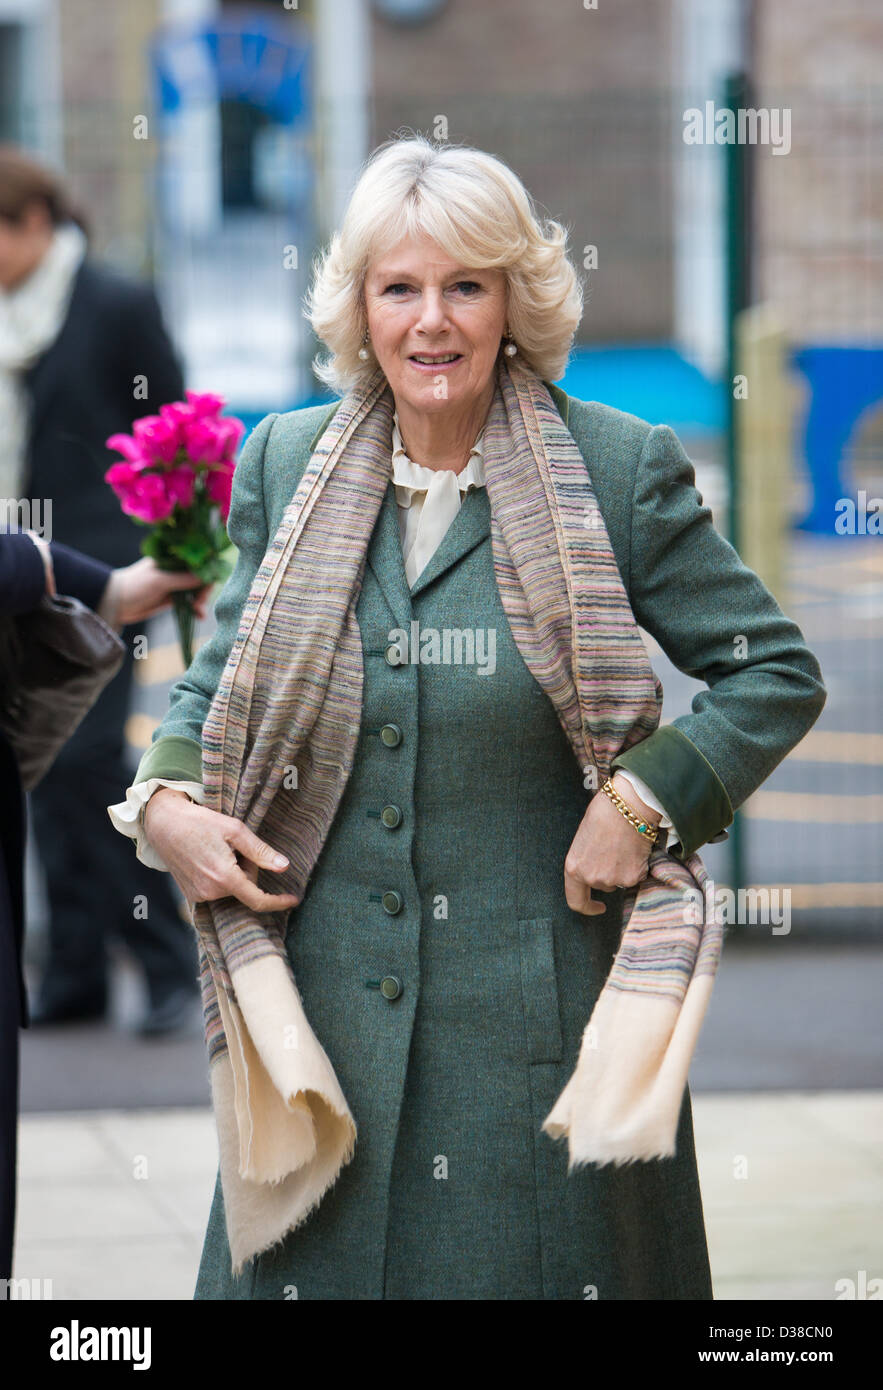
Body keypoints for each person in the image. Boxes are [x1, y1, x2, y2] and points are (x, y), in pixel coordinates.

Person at [109, 137, 827, 1300]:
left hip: (537, 1044)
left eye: (465, 286)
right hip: (321, 1038)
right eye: (399, 287)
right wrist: (170, 801)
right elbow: (221, 677)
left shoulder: (616, 466)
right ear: (360, 306)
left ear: (513, 300)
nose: (430, 321)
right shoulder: (285, 460)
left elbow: (772, 673)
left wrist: (644, 803)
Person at [0, 144, 199, 1032]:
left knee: (82, 762)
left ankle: (163, 966)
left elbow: (173, 427)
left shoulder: (113, 302)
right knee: (36, 768)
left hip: (109, 569)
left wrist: (185, 547)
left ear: (35, 223)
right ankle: (77, 973)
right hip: (15, 567)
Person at [0, 529, 206, 1286]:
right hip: (65, 575)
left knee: (84, 778)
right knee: (66, 793)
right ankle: (80, 972)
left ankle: (156, 967)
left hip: (81, 569)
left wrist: (88, 576)